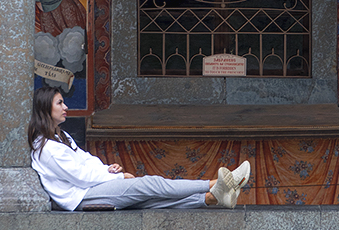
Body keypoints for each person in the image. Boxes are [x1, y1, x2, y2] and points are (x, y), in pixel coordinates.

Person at [29, 86, 250, 211]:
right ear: (45, 108)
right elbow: (80, 176)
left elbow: (86, 160)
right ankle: (215, 183)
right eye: (60, 103)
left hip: (90, 188)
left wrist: (108, 169)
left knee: (149, 199)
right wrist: (118, 178)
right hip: (81, 197)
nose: (65, 107)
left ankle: (211, 198)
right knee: (150, 184)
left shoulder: (61, 136)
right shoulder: (47, 148)